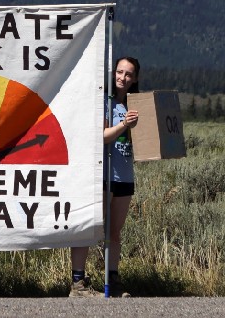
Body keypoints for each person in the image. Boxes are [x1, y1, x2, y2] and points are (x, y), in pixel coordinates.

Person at [70, 56, 140, 298]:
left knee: (115, 233)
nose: (123, 77)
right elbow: (100, 135)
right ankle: (78, 282)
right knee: (89, 229)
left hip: (124, 175)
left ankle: (113, 280)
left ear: (135, 78)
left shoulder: (134, 105)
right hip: (102, 174)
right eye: (119, 72)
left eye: (128, 74)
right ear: (113, 74)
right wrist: (124, 125)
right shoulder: (103, 102)